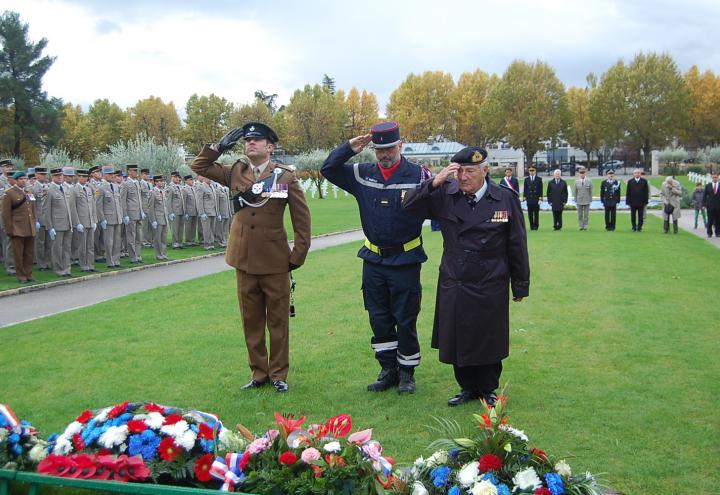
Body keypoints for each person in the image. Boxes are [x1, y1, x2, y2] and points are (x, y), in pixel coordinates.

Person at [403, 146, 530, 406]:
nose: (463, 177)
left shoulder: (504, 198)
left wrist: (520, 285)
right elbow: (408, 205)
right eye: (458, 171)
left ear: (485, 170)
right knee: (457, 337)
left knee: (488, 337)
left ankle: (487, 388)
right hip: (456, 279)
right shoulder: (445, 194)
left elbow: (517, 243)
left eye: (469, 171)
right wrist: (434, 181)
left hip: (490, 280)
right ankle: (467, 388)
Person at [191, 122, 311, 393]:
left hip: (275, 261)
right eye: (247, 140)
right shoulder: (235, 172)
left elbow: (302, 221)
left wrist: (297, 256)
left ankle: (279, 374)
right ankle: (258, 374)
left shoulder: (285, 177)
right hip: (243, 260)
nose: (250, 144)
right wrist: (218, 147)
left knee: (278, 322)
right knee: (251, 321)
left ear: (270, 147)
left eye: (257, 140)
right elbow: (198, 167)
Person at [322, 121, 430, 394]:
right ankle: (388, 370)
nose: (384, 154)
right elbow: (328, 169)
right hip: (373, 261)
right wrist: (349, 148)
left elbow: (442, 202)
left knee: (405, 318)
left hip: (405, 260)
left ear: (400, 146)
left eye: (390, 148)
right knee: (378, 318)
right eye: (379, 149)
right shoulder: (362, 174)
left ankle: (407, 372)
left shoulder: (418, 175)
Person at [1, 171, 36, 282]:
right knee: (18, 254)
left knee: (29, 253)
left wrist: (34, 224)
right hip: (17, 228)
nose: (23, 181)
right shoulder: (9, 193)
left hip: (29, 227)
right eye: (20, 179)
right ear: (15, 181)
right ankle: (21, 276)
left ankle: (29, 274)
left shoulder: (28, 192)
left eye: (24, 179)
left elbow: (32, 209)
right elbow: (5, 214)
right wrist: (9, 229)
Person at [43, 167, 74, 277]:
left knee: (67, 248)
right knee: (57, 248)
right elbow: (46, 210)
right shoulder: (49, 190)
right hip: (57, 224)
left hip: (67, 223)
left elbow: (70, 207)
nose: (60, 177)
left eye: (61, 175)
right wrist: (50, 227)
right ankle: (59, 269)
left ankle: (67, 268)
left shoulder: (65, 188)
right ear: (52, 177)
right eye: (57, 176)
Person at [69, 169, 97, 272]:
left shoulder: (89, 189)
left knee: (90, 245)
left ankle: (90, 264)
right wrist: (77, 223)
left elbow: (93, 205)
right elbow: (73, 208)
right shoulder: (74, 190)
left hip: (90, 221)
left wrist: (94, 220)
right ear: (78, 177)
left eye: (86, 177)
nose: (85, 179)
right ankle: (84, 265)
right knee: (82, 246)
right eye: (82, 177)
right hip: (81, 221)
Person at [96, 165, 124, 268]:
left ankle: (116, 260)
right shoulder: (100, 187)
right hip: (108, 218)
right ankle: (110, 261)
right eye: (109, 174)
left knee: (117, 240)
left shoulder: (115, 186)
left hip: (117, 217)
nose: (112, 176)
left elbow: (119, 203)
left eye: (113, 174)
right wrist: (102, 219)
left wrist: (121, 215)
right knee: (109, 241)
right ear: (104, 175)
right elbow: (98, 205)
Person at [120, 164, 145, 263]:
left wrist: (141, 210)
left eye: (136, 170)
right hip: (130, 214)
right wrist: (125, 214)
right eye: (134, 170)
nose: (136, 172)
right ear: (129, 172)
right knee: (131, 237)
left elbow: (139, 199)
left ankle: (138, 255)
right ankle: (133, 257)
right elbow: (123, 200)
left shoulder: (138, 183)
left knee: (139, 237)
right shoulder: (125, 184)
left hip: (138, 213)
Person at [147, 174, 170, 260]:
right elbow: (150, 207)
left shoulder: (163, 191)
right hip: (157, 218)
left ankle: (163, 253)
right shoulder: (152, 192)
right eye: (159, 181)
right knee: (158, 238)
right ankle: (158, 254)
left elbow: (164, 205)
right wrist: (153, 220)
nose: (162, 182)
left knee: (164, 238)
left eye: (162, 181)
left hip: (164, 217)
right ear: (155, 182)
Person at [196, 175, 217, 250]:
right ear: (204, 178)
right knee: (206, 229)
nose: (210, 179)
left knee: (212, 229)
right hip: (206, 212)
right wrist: (201, 213)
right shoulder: (201, 187)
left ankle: (211, 243)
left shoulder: (212, 186)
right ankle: (207, 244)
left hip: (213, 211)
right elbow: (199, 201)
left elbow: (214, 200)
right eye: (208, 177)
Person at [167, 171, 186, 249]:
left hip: (181, 210)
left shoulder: (180, 187)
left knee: (181, 228)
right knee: (175, 228)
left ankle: (180, 242)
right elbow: (168, 201)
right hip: (175, 211)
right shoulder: (170, 187)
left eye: (179, 177)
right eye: (177, 177)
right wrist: (170, 212)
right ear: (173, 177)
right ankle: (175, 243)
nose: (178, 179)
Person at [523, 166, 542, 231]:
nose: (531, 172)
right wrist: (524, 197)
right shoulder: (526, 179)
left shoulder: (539, 179)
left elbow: (540, 189)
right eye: (530, 171)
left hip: (536, 198)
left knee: (536, 214)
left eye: (533, 170)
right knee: (530, 214)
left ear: (535, 171)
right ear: (529, 171)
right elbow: (525, 189)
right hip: (529, 198)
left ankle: (536, 226)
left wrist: (540, 198)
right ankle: (531, 226)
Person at [182, 175, 199, 246]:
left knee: (193, 226)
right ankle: (188, 241)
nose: (192, 181)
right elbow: (184, 202)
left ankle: (192, 240)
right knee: (188, 227)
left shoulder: (194, 188)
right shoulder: (184, 189)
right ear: (186, 181)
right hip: (188, 211)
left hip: (195, 210)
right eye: (190, 180)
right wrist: (185, 212)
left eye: (192, 179)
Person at [703, 172, 720, 238]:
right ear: (712, 178)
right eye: (713, 177)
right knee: (710, 220)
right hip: (710, 206)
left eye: (715, 177)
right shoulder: (708, 186)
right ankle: (709, 233)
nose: (714, 178)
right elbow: (704, 196)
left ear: (718, 177)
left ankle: (718, 233)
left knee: (718, 220)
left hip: (718, 206)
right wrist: (703, 204)